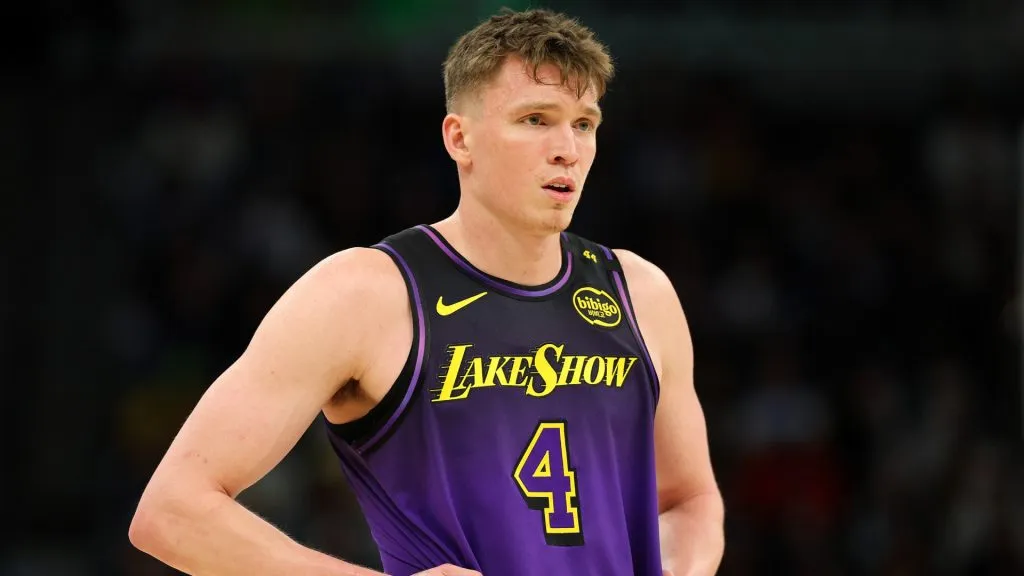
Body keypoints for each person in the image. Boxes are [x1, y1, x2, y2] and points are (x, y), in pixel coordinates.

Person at [129, 8, 724, 576]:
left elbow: (690, 500)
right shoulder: (366, 294)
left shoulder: (640, 293)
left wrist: (677, 566)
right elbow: (173, 510)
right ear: (459, 139)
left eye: (584, 123)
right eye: (535, 119)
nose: (568, 148)